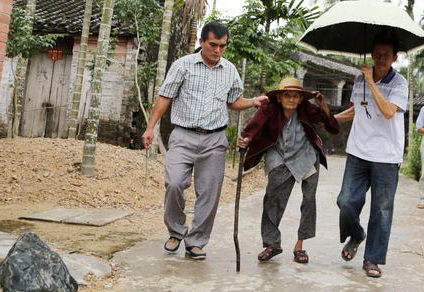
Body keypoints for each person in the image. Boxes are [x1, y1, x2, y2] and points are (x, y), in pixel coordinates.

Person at [142, 21, 266, 260]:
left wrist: (253, 101)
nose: (217, 50)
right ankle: (176, 231)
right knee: (175, 183)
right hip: (183, 135)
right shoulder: (183, 66)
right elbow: (165, 97)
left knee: (209, 192)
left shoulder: (230, 70)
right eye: (213, 44)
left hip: (215, 140)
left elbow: (233, 102)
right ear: (201, 42)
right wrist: (150, 127)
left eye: (222, 46)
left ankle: (196, 241)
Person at [237, 77, 339, 264]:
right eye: (287, 95)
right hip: (279, 155)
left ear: (301, 99)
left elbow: (333, 127)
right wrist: (246, 139)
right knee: (272, 199)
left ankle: (300, 245)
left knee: (309, 200)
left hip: (306, 156)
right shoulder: (269, 107)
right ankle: (272, 244)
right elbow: (253, 127)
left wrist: (322, 105)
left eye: (296, 96)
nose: (291, 100)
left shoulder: (307, 109)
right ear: (279, 97)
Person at [334, 33, 408, 278]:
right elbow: (357, 109)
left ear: (395, 58)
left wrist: (372, 82)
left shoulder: (400, 83)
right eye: (377, 54)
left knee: (381, 210)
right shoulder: (359, 79)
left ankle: (372, 259)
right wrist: (330, 118)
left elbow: (388, 111)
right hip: (358, 152)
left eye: (386, 55)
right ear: (372, 54)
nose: (381, 58)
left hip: (387, 157)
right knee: (346, 201)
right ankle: (356, 234)